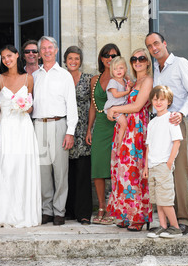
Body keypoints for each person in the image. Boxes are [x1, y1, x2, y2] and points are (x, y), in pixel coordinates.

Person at [145, 32, 188, 235]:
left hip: (176, 122)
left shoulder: (180, 63)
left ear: (164, 43)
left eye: (156, 43)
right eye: (150, 46)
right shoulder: (156, 71)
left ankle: (183, 220)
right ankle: (166, 222)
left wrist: (181, 113)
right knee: (161, 171)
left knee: (178, 172)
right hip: (159, 124)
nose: (154, 48)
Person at [0, 45, 41, 228]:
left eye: (9, 56)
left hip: (24, 128)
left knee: (22, 168)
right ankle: (3, 213)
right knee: (6, 167)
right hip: (7, 127)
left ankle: (23, 213)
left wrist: (27, 107)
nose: (6, 60)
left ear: (17, 55)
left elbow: (32, 105)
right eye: (3, 57)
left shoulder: (29, 78)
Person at [32, 36, 78, 226]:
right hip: (38, 125)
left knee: (60, 170)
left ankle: (59, 211)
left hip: (60, 124)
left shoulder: (64, 75)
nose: (47, 51)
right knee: (43, 170)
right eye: (43, 48)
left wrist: (70, 131)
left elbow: (72, 105)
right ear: (40, 52)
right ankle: (47, 210)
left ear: (56, 50)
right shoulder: (35, 76)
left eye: (50, 47)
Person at [106, 48, 154, 231]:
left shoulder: (147, 80)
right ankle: (125, 213)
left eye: (142, 58)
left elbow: (137, 106)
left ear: (148, 61)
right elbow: (119, 102)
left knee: (133, 169)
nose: (137, 61)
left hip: (137, 131)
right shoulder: (132, 82)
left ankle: (138, 216)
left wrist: (114, 110)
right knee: (121, 170)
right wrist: (112, 113)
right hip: (124, 129)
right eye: (134, 59)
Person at [85, 43, 121, 225]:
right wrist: (88, 129)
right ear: (101, 58)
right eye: (106, 55)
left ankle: (115, 207)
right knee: (98, 169)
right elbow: (93, 105)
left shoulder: (124, 79)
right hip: (100, 126)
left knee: (116, 168)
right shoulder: (95, 80)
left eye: (114, 56)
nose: (110, 58)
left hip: (118, 126)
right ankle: (101, 206)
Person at [144, 86, 183, 239]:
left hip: (163, 165)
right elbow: (148, 146)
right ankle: (163, 226)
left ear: (169, 101)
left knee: (166, 199)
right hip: (153, 165)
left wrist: (169, 162)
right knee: (158, 199)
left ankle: (175, 227)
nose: (158, 102)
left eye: (162, 99)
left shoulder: (171, 119)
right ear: (152, 101)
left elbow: (177, 142)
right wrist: (146, 166)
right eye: (155, 99)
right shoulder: (152, 122)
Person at [63, 46, 93, 225]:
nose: (73, 61)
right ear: (65, 60)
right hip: (65, 128)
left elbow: (93, 106)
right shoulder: (61, 77)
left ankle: (83, 213)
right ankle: (69, 210)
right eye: (70, 58)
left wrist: (89, 129)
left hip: (82, 129)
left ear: (80, 61)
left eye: (76, 58)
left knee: (83, 170)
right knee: (67, 171)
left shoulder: (88, 79)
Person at [104, 56, 131, 147]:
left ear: (126, 69)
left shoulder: (124, 81)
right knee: (124, 123)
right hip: (114, 108)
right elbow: (115, 94)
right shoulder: (113, 81)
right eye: (115, 69)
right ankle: (119, 144)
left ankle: (123, 140)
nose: (118, 71)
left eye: (121, 68)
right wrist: (127, 91)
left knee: (125, 124)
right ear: (112, 71)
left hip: (121, 107)